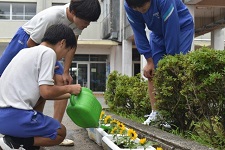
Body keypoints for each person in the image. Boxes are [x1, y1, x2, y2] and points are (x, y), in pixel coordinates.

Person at [0, 0, 101, 145]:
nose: (88, 24)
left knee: (61, 80)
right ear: (73, 13)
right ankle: (23, 137)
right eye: (86, 20)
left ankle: (36, 128)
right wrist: (42, 69)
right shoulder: (52, 17)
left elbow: (71, 47)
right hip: (26, 41)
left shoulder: (76, 27)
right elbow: (31, 44)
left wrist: (66, 73)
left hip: (45, 48)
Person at [0, 24, 81, 150]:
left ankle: (27, 144)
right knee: (60, 132)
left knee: (39, 99)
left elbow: (42, 93)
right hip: (14, 116)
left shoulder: (25, 51)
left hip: (3, 117)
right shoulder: (49, 53)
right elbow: (47, 92)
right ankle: (16, 142)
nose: (63, 57)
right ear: (62, 43)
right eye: (66, 51)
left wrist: (71, 94)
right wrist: (70, 88)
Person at [124, 0, 194, 125]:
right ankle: (156, 113)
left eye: (143, 9)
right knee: (152, 71)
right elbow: (138, 33)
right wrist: (149, 60)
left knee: (174, 70)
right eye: (137, 9)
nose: (140, 11)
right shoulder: (130, 6)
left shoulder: (164, 1)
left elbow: (172, 31)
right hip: (158, 33)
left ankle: (174, 116)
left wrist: (169, 62)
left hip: (181, 27)